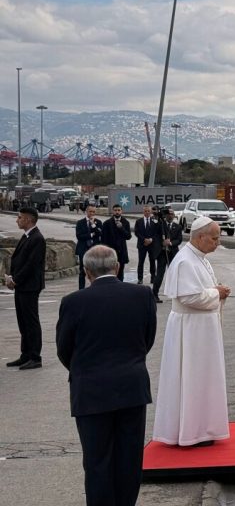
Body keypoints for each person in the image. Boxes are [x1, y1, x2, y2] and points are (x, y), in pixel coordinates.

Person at [56, 245, 157, 506]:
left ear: (86, 272)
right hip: (131, 388)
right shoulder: (142, 295)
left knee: (97, 460)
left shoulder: (73, 302)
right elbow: (147, 340)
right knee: (129, 458)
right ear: (118, 266)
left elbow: (65, 349)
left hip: (90, 391)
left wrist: (85, 370)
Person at [153, 217, 232, 447]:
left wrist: (217, 291)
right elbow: (188, 297)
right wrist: (217, 293)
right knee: (192, 379)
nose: (218, 242)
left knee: (202, 379)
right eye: (215, 238)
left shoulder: (200, 258)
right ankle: (191, 432)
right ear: (200, 237)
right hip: (191, 331)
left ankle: (202, 428)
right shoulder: (186, 261)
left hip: (201, 330)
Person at [5, 207, 46, 370]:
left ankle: (35, 356)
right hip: (22, 286)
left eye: (20, 217)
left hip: (29, 286)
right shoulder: (27, 236)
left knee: (31, 322)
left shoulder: (37, 238)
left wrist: (15, 280)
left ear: (29, 220)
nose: (17, 220)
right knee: (23, 321)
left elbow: (31, 264)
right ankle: (25, 354)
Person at [152, 206, 183, 303]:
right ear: (165, 215)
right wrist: (162, 243)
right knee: (160, 275)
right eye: (168, 213)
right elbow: (155, 236)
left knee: (176, 274)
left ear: (174, 215)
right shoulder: (159, 225)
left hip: (173, 253)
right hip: (162, 253)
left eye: (172, 214)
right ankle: (154, 294)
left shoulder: (177, 227)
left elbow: (179, 239)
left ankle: (177, 294)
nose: (170, 215)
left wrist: (170, 243)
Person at [75, 205, 104, 290]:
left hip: (94, 249)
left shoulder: (98, 222)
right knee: (82, 270)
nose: (92, 213)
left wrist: (93, 226)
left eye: (93, 212)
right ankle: (81, 289)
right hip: (83, 249)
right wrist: (91, 235)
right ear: (86, 212)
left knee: (95, 270)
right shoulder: (80, 223)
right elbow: (79, 236)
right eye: (90, 211)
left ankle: (95, 288)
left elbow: (100, 233)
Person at [102, 204, 132, 281]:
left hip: (122, 251)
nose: (117, 212)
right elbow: (104, 239)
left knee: (120, 272)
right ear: (113, 211)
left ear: (121, 211)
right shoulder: (107, 223)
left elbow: (128, 236)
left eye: (119, 210)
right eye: (115, 210)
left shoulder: (125, 222)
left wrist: (121, 228)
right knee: (110, 272)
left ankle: (120, 288)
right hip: (111, 252)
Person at [134, 205, 162, 285]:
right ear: (143, 212)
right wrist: (144, 239)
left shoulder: (155, 221)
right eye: (145, 211)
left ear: (151, 212)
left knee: (152, 261)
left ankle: (153, 278)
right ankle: (140, 279)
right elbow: (137, 232)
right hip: (142, 245)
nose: (147, 212)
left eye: (148, 211)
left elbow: (157, 232)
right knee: (141, 262)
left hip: (152, 245)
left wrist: (151, 239)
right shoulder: (139, 221)